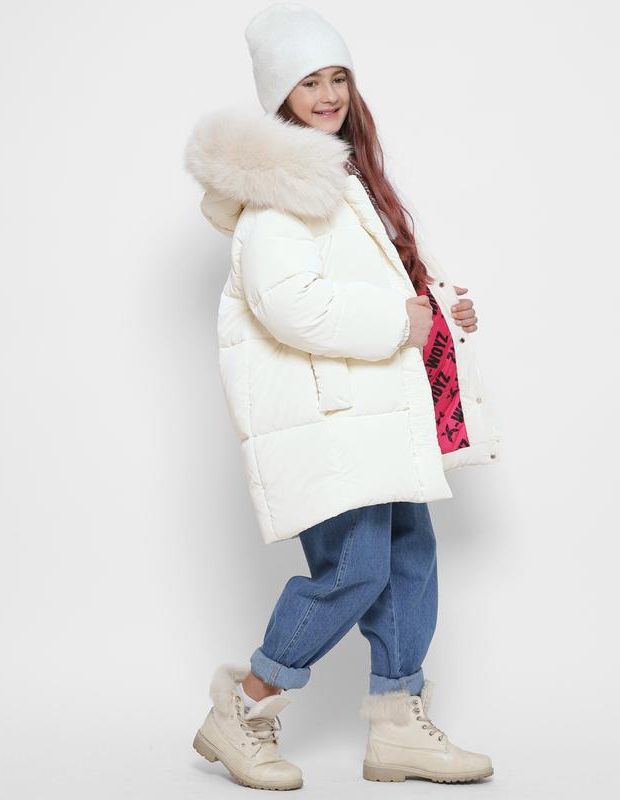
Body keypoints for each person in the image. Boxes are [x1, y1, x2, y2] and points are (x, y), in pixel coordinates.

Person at [184, 2, 500, 791]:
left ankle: (397, 724)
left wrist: (438, 306)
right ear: (279, 96)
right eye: (309, 82)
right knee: (353, 570)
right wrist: (398, 322)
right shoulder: (280, 195)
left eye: (338, 78)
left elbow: (380, 280)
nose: (328, 95)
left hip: (377, 410)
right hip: (331, 418)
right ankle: (244, 708)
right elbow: (289, 304)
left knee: (409, 559)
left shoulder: (348, 178)